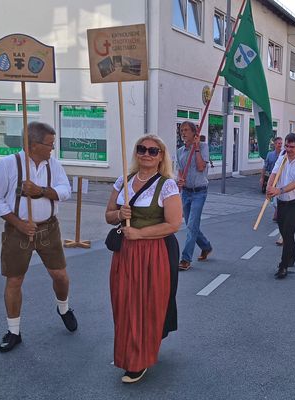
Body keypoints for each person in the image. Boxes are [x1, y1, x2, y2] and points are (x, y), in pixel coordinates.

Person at [0, 122, 76, 353]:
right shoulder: (8, 165)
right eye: (50, 144)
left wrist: (41, 191)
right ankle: (14, 331)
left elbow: (66, 190)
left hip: (49, 228)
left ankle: (63, 308)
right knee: (14, 280)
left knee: (60, 276)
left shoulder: (53, 164)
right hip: (17, 230)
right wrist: (19, 223)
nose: (53, 148)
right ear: (33, 145)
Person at [105, 134, 182, 384]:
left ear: (161, 157)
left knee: (145, 306)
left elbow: (173, 224)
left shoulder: (167, 185)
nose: (146, 154)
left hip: (153, 253)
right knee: (124, 304)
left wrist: (139, 233)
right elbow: (108, 215)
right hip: (125, 253)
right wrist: (120, 214)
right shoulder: (123, 181)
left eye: (153, 151)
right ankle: (128, 352)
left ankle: (139, 360)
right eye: (142, 149)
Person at [266, 133, 295, 279]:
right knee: (284, 232)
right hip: (282, 201)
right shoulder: (282, 158)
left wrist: (279, 190)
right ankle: (294, 253)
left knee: (288, 232)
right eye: (287, 146)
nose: (289, 149)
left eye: (292, 147)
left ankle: (283, 266)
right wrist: (269, 188)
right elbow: (274, 174)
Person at [176, 121, 213, 271]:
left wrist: (196, 147)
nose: (183, 133)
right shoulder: (180, 151)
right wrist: (180, 180)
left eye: (186, 130)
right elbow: (180, 170)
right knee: (191, 225)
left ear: (194, 133)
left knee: (192, 225)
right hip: (186, 192)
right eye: (181, 130)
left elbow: (200, 167)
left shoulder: (203, 147)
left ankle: (186, 259)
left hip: (199, 192)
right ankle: (206, 246)